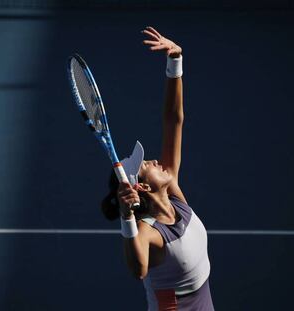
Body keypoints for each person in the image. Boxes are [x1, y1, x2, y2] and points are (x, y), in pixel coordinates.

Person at [101, 26, 215, 311]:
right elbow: (138, 269)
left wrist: (175, 62)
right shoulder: (148, 232)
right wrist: (126, 216)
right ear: (143, 186)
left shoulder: (176, 197)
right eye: (144, 166)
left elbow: (173, 121)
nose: (152, 161)